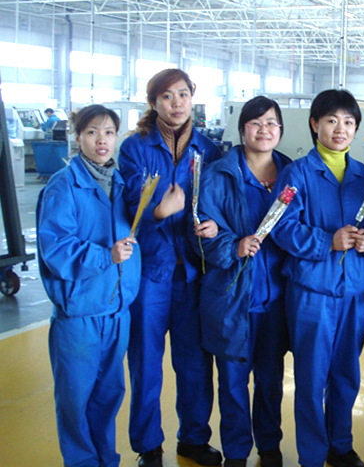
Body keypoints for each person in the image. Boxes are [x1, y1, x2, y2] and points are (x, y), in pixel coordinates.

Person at [271, 89, 364, 467]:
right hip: (312, 291)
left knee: (346, 373)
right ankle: (313, 455)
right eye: (332, 120)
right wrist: (326, 241)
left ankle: (341, 445)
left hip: (354, 292)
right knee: (311, 377)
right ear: (315, 124)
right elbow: (281, 227)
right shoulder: (297, 174)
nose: (340, 129)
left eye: (348, 122)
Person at [118, 68, 222, 467]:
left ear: (192, 97)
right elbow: (130, 203)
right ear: (153, 103)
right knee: (145, 363)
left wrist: (215, 226)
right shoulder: (135, 148)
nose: (176, 103)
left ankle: (193, 439)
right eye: (166, 96)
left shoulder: (208, 151)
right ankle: (148, 445)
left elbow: (217, 204)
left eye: (182, 94)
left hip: (193, 273)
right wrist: (158, 212)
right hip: (151, 272)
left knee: (195, 364)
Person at [37, 104, 140, 467]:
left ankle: (105, 460)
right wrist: (104, 256)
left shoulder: (121, 183)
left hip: (116, 309)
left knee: (109, 394)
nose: (101, 140)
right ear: (77, 136)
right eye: (92, 132)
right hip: (80, 313)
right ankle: (81, 462)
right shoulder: (63, 186)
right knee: (75, 398)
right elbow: (55, 248)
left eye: (109, 132)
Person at [194, 96, 292, 467]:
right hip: (232, 299)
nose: (264, 130)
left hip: (276, 300)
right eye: (256, 123)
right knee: (233, 383)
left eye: (271, 123)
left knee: (270, 380)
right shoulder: (217, 176)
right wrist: (232, 246)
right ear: (242, 130)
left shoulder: (292, 175)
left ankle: (269, 446)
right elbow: (199, 234)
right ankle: (236, 452)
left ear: (280, 130)